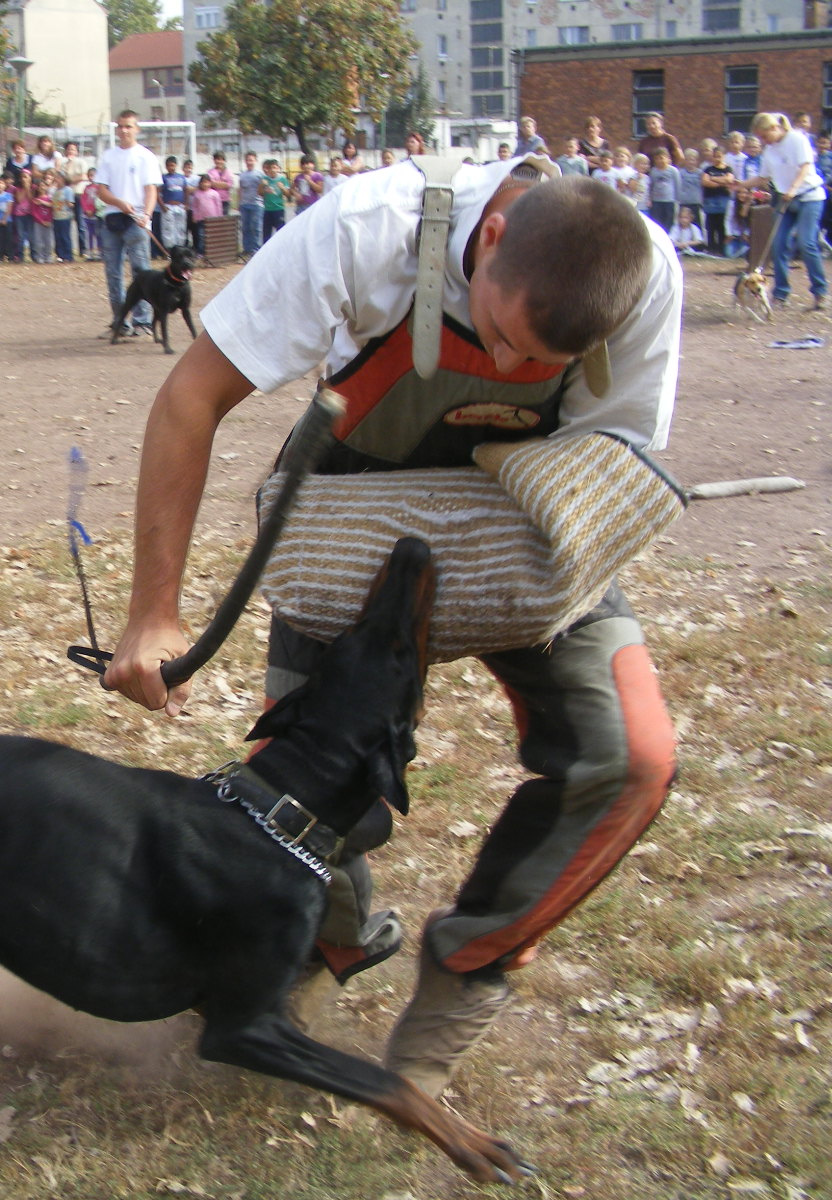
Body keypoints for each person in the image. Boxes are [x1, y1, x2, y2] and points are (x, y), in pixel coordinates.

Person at [103, 161, 681, 1101]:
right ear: (488, 241)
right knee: (295, 810)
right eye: (498, 334)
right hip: (351, 517)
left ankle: (472, 966)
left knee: (631, 757)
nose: (510, 370)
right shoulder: (365, 229)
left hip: (522, 516)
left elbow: (612, 453)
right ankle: (299, 965)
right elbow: (192, 394)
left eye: (538, 362)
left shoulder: (642, 271)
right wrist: (155, 613)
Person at [741, 111, 827, 310]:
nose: (763, 141)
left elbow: (805, 167)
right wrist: (740, 184)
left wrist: (793, 188)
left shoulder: (797, 139)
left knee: (806, 242)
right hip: (785, 201)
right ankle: (781, 293)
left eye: (764, 136)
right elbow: (763, 178)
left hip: (809, 197)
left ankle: (820, 291)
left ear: (774, 128)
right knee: (778, 244)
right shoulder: (769, 151)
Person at [94, 110, 162, 334]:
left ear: (137, 129)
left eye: (129, 126)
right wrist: (118, 202)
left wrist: (147, 215)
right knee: (113, 273)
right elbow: (101, 191)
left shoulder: (145, 156)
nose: (124, 130)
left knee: (141, 273)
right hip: (113, 218)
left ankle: (143, 321)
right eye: (121, 126)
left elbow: (150, 189)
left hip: (137, 220)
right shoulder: (108, 156)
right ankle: (120, 321)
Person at [700, 145, 735, 255]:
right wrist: (721, 182)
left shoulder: (728, 169)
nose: (717, 159)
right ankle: (711, 249)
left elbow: (729, 179)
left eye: (719, 156)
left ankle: (721, 249)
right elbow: (705, 182)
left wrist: (713, 178)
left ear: (723, 156)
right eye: (715, 156)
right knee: (710, 226)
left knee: (721, 226)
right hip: (710, 200)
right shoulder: (708, 169)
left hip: (723, 200)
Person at [236, 151, 264, 254]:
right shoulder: (242, 174)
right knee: (245, 228)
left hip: (257, 204)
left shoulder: (260, 174)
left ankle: (256, 249)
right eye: (247, 160)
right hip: (244, 204)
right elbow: (240, 189)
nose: (249, 162)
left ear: (255, 161)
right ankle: (246, 249)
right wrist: (239, 203)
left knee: (256, 228)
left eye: (251, 160)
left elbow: (263, 190)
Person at [259, 158, 290, 243]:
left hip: (279, 209)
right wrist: (262, 185)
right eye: (270, 168)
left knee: (280, 232)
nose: (272, 170)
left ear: (278, 169)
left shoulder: (282, 179)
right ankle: (266, 251)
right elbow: (260, 193)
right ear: (267, 170)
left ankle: (282, 248)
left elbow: (288, 194)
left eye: (274, 167)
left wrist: (282, 188)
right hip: (267, 209)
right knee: (266, 234)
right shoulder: (265, 179)